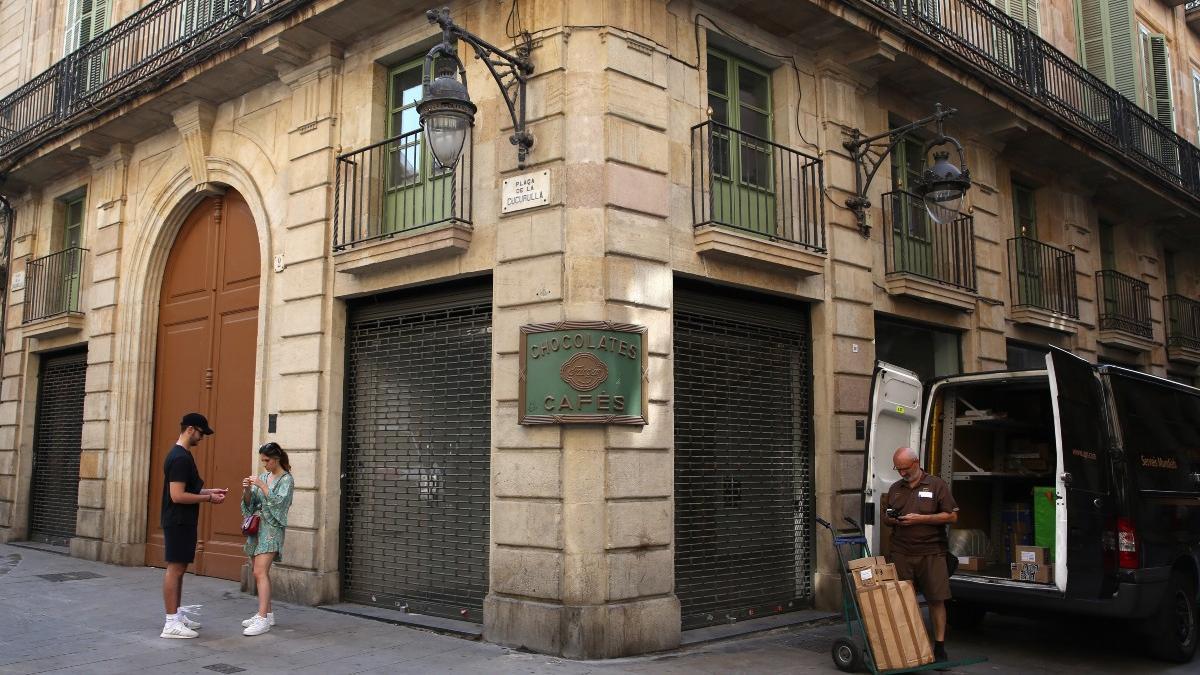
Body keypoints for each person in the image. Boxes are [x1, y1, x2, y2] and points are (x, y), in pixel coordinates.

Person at [883, 446, 959, 664]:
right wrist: (894, 519)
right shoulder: (896, 488)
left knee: (936, 599)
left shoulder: (936, 485)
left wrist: (921, 519)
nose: (902, 473)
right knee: (903, 601)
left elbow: (951, 517)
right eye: (898, 469)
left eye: (905, 468)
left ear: (916, 463)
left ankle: (940, 648)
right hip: (901, 552)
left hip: (931, 553)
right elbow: (887, 517)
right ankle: (909, 646)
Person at [160, 412, 228, 639]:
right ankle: (170, 623)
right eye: (201, 433)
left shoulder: (182, 455)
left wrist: (210, 491)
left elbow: (187, 489)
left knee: (179, 570)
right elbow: (177, 495)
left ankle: (176, 615)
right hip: (178, 520)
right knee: (175, 569)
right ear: (190, 429)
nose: (202, 437)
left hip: (183, 520)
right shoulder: (179, 458)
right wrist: (208, 499)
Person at [240, 442, 295, 636]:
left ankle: (262, 619)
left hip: (272, 530)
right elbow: (250, 504)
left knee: (260, 572)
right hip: (257, 529)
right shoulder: (263, 476)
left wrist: (263, 486)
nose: (264, 464)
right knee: (259, 572)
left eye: (267, 460)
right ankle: (267, 614)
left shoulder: (286, 479)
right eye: (262, 460)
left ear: (276, 458)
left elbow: (280, 504)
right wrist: (247, 490)